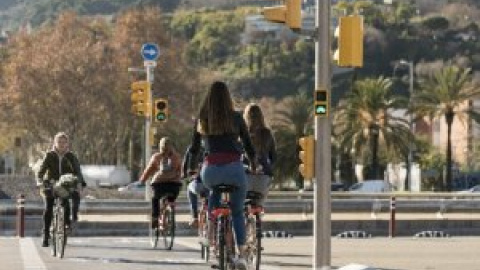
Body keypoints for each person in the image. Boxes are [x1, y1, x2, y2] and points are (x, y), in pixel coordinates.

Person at [187, 81, 256, 270]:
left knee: (213, 194)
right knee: (237, 210)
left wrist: (192, 169)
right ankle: (241, 254)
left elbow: (193, 149)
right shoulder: (236, 117)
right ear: (228, 97)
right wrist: (254, 164)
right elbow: (249, 146)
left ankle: (210, 236)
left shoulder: (203, 118)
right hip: (234, 169)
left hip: (210, 171)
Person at [36, 132, 86, 247]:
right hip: (51, 184)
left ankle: (67, 223)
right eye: (59, 142)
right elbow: (41, 171)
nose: (62, 144)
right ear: (55, 143)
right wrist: (40, 181)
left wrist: (79, 183)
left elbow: (78, 172)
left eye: (64, 142)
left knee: (66, 202)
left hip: (65, 185)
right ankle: (46, 234)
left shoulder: (71, 156)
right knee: (48, 207)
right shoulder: (49, 155)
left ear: (67, 143)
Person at [136, 137, 182, 228]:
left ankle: (155, 218)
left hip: (158, 185)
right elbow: (180, 171)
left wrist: (142, 181)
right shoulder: (177, 157)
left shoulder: (156, 157)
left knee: (155, 199)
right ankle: (170, 213)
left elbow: (148, 171)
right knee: (171, 197)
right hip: (174, 185)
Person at [243, 103, 277, 204]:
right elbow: (273, 157)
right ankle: (257, 214)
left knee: (238, 207)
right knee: (258, 205)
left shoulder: (242, 134)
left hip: (245, 179)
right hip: (263, 179)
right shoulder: (267, 133)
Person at [182, 145, 208, 228]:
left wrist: (184, 175)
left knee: (190, 188)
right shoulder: (216, 145)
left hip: (200, 183)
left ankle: (195, 216)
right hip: (214, 184)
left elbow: (185, 164)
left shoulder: (192, 147)